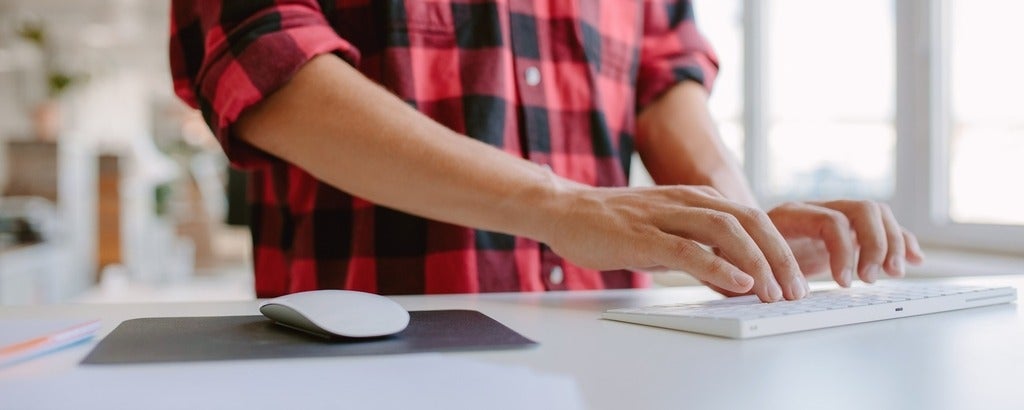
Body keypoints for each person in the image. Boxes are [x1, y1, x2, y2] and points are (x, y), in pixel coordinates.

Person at [169, 0, 923, 302]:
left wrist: (744, 227)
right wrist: (561, 206)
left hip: (607, 364)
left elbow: (665, 78)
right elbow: (264, 64)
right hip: (373, 363)